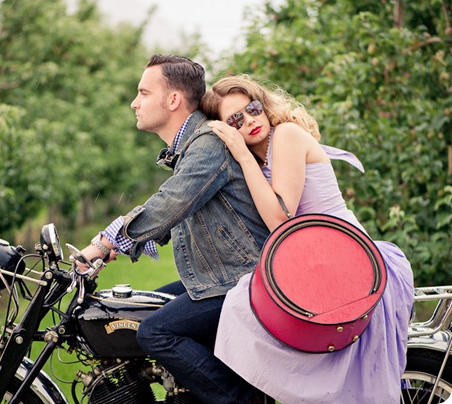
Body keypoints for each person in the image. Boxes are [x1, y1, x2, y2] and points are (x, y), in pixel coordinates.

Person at [201, 74, 415, 403]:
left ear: (264, 105)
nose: (250, 121)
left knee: (240, 307)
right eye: (235, 119)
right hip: (321, 263)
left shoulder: (285, 135)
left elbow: (280, 219)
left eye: (253, 108)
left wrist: (242, 157)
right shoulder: (261, 157)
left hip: (352, 263)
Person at [78, 55, 271, 404]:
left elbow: (171, 203)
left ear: (172, 100)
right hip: (219, 273)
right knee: (143, 306)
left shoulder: (207, 143)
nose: (134, 103)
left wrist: (106, 242)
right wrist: (115, 249)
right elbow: (177, 214)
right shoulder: (190, 147)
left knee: (155, 332)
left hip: (243, 278)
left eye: (143, 92)